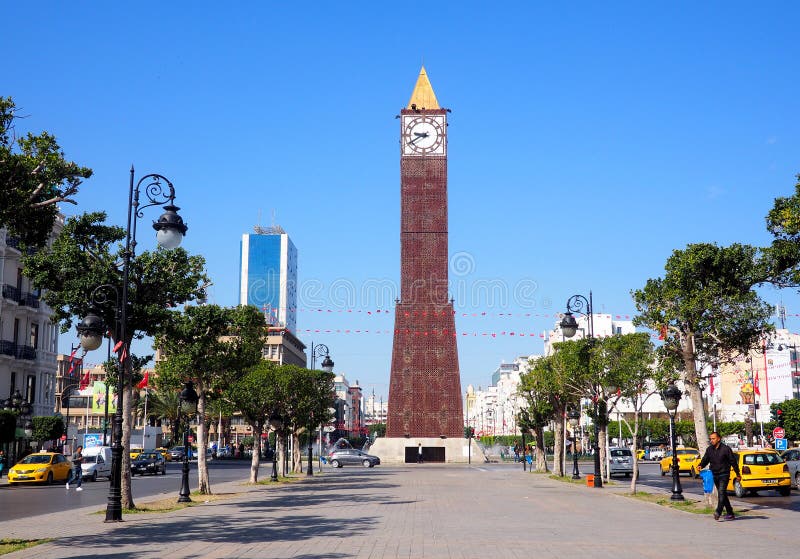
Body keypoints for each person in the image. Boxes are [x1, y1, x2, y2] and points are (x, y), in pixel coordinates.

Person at [698, 431, 741, 521]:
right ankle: (730, 513)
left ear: (718, 439)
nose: (711, 440)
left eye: (713, 439)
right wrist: (700, 465)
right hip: (715, 474)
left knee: (721, 492)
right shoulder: (709, 449)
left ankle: (718, 511)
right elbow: (705, 459)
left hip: (724, 473)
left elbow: (733, 461)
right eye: (711, 439)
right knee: (723, 494)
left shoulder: (726, 449)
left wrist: (738, 474)